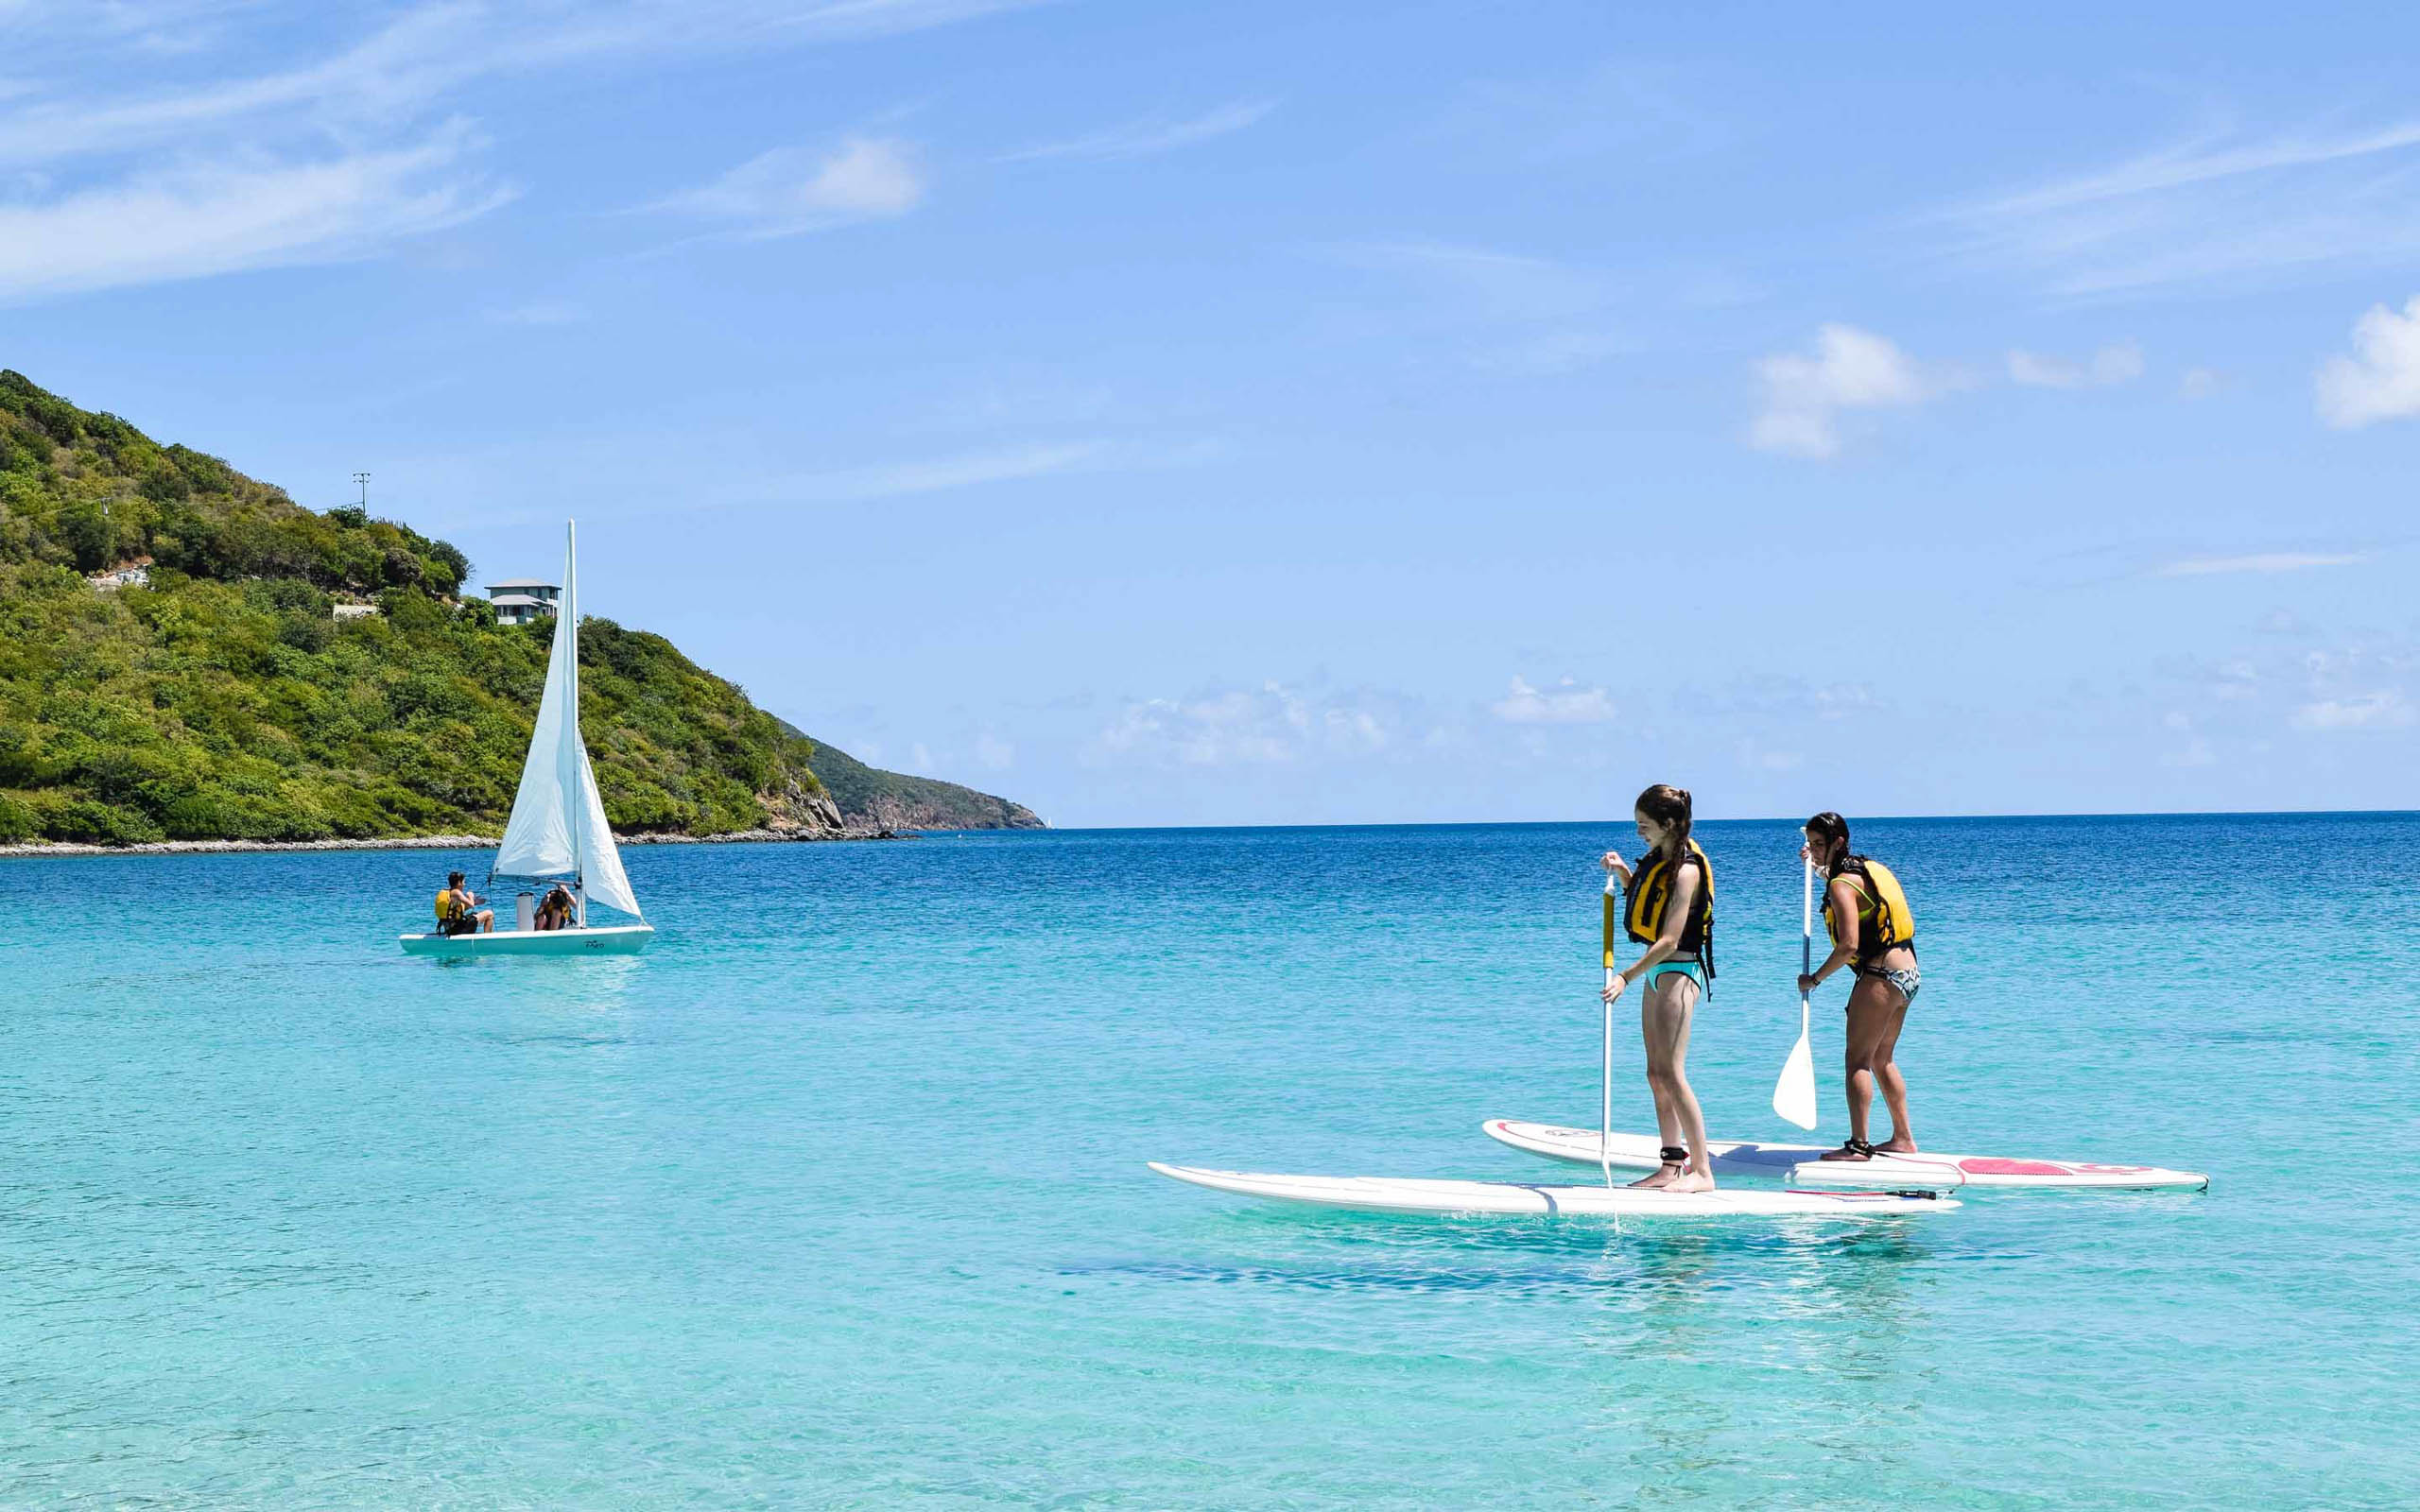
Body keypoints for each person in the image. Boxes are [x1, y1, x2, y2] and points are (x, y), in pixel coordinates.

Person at [1600, 784, 1718, 1192]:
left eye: (1644, 826)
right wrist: (1624, 874)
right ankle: (1671, 1166)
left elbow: (1669, 938)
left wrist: (1625, 977)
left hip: (1679, 972)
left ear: (1669, 824)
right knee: (1655, 1073)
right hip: (1657, 971)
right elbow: (1651, 900)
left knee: (1672, 1072)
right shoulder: (1660, 859)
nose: (1639, 833)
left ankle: (1702, 1172)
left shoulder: (1688, 870)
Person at [1796, 812, 1920, 1160]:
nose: (1815, 850)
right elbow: (1841, 881)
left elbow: (1848, 945)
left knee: (1857, 1062)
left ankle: (1858, 1146)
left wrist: (1815, 979)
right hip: (1908, 974)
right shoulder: (1863, 869)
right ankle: (1903, 1139)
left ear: (1838, 843)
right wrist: (1816, 864)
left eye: (1820, 845)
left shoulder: (1841, 884)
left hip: (1880, 976)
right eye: (1811, 844)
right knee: (1883, 1059)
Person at [435, 871, 493, 936]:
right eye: (463, 882)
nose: (464, 884)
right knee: (489, 913)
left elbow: (456, 910)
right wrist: (470, 895)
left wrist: (475, 902)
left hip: (450, 929)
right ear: (459, 883)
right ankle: (488, 939)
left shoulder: (446, 892)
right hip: (458, 929)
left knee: (474, 914)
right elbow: (471, 905)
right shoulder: (456, 892)